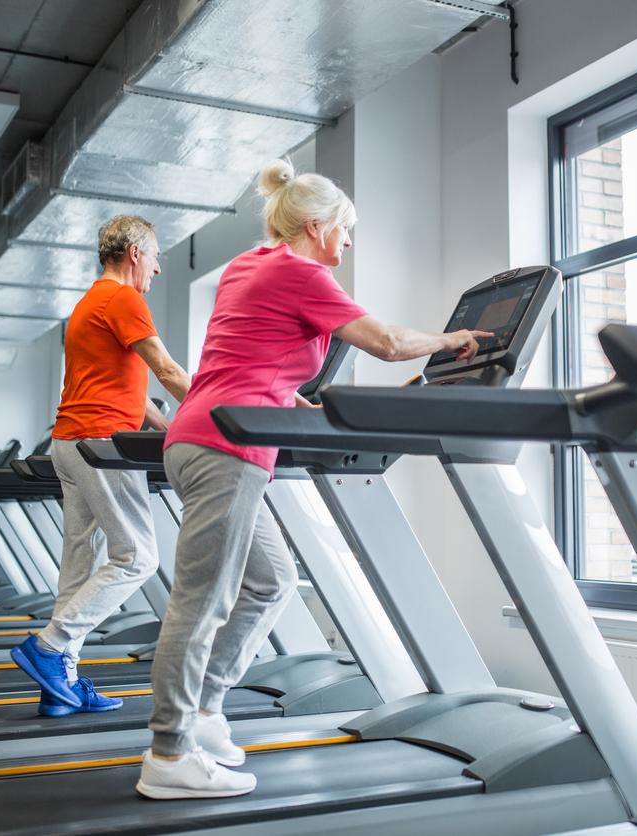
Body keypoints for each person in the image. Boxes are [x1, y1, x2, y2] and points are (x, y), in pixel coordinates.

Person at [136, 160, 492, 799]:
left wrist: (320, 414)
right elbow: (384, 341)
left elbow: (254, 364)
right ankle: (169, 753)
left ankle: (207, 711)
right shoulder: (300, 272)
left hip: (204, 435)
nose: (348, 243)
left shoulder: (249, 266)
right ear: (315, 223)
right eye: (346, 229)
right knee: (203, 602)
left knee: (271, 582)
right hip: (224, 446)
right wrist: (453, 339)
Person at [11, 214, 191, 716]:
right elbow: (167, 368)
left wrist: (166, 424)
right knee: (137, 557)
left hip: (70, 444)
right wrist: (212, 412)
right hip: (103, 445)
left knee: (80, 568)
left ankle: (59, 687)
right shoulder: (124, 299)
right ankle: (49, 647)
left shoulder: (90, 302)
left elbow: (125, 387)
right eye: (155, 257)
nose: (157, 269)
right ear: (135, 253)